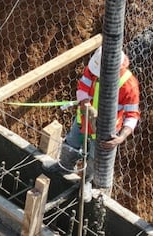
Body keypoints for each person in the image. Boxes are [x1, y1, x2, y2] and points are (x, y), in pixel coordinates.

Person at [54, 45, 140, 174]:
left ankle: (87, 182)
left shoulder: (129, 86)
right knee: (71, 143)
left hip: (106, 130)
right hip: (83, 118)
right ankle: (64, 168)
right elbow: (82, 87)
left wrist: (121, 137)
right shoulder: (94, 68)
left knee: (96, 157)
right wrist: (86, 106)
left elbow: (132, 116)